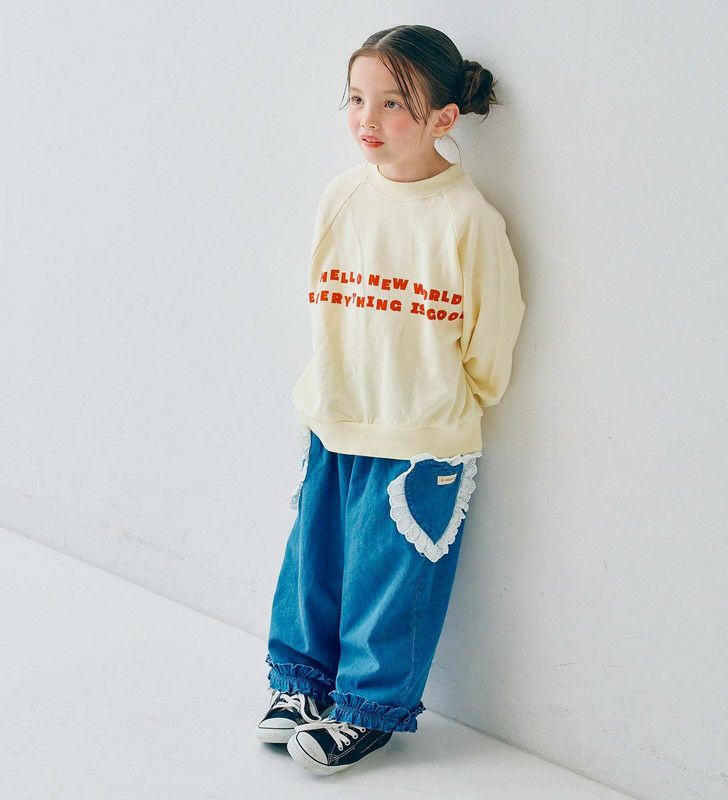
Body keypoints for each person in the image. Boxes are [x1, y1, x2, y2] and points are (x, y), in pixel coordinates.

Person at [256, 24, 526, 775]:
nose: (366, 121)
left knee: (391, 578)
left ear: (443, 117)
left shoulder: (468, 220)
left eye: (392, 104)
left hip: (420, 434)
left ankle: (366, 710)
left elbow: (492, 341)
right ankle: (300, 684)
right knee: (314, 562)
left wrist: (437, 403)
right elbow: (324, 302)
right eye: (355, 99)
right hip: (336, 415)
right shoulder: (343, 196)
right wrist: (337, 392)